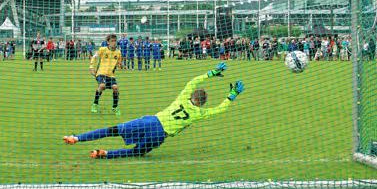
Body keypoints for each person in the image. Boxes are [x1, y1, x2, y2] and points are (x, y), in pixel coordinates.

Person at [64, 63, 244, 158]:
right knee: (137, 152)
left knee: (112, 130)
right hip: (160, 134)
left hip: (150, 121)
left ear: (191, 97)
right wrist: (232, 95)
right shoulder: (200, 113)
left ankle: (76, 138)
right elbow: (220, 109)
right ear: (202, 104)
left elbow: (193, 82)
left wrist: (211, 73)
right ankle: (105, 154)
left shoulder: (183, 97)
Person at [89, 34, 123, 116]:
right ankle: (95, 104)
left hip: (111, 75)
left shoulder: (118, 52)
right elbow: (94, 57)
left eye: (115, 41)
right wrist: (91, 67)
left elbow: (119, 63)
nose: (114, 43)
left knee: (115, 88)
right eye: (112, 41)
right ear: (108, 42)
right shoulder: (103, 49)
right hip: (101, 73)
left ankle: (115, 107)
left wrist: (121, 65)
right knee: (102, 86)